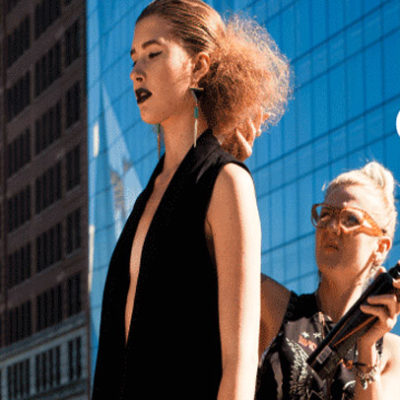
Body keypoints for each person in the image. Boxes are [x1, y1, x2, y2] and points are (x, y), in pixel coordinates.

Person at [91, 1, 290, 399]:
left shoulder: (227, 183)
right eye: (134, 57)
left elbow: (238, 367)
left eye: (153, 53)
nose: (136, 71)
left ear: (199, 66)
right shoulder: (149, 196)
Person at [256, 161, 400, 400]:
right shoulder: (270, 304)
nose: (332, 227)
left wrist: (366, 348)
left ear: (381, 247)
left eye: (350, 219)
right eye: (325, 215)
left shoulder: (393, 353)